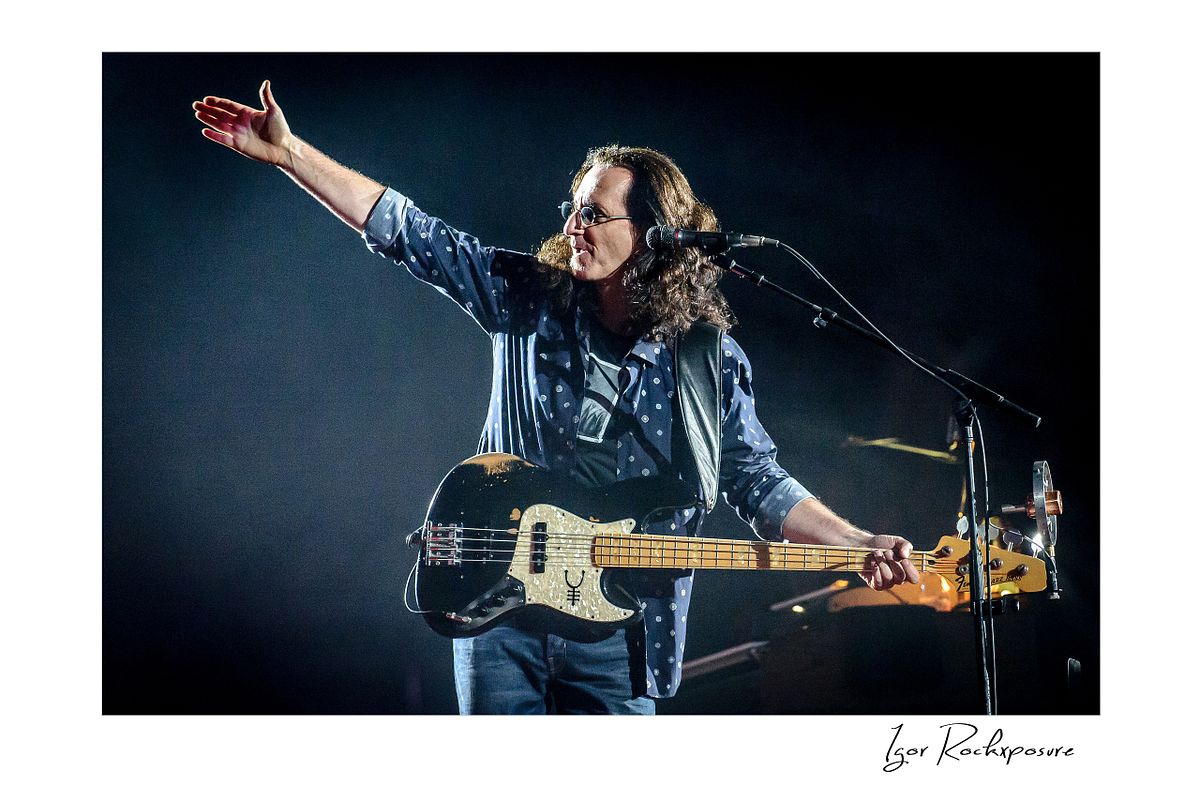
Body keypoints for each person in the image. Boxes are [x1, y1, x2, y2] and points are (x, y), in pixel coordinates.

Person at [192, 80, 921, 715]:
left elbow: (757, 480)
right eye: (573, 208)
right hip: (498, 615)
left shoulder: (707, 361)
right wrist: (292, 154)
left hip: (623, 632)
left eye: (594, 214)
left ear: (655, 236)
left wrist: (858, 543)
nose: (573, 226)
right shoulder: (527, 298)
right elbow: (409, 231)